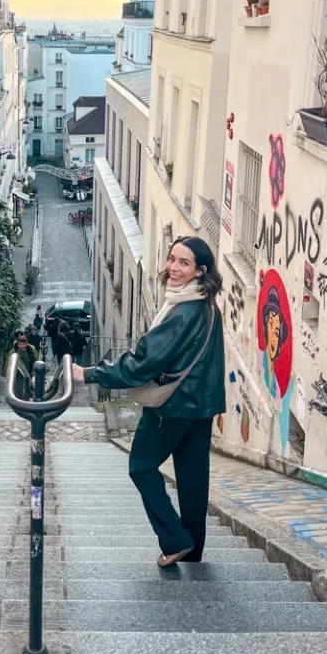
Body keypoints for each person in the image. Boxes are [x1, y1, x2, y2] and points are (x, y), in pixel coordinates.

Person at [73, 236, 225, 567]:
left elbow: (143, 361)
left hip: (171, 407)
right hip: (201, 405)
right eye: (172, 258)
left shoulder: (183, 312)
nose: (173, 267)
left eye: (184, 263)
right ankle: (193, 552)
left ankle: (174, 540)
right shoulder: (206, 304)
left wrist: (90, 374)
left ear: (200, 271)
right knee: (192, 481)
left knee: (141, 467)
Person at [5, 332, 39, 400]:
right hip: (18, 373)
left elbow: (35, 359)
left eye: (24, 344)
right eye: (20, 344)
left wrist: (34, 370)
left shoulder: (31, 350)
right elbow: (8, 362)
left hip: (28, 371)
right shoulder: (13, 352)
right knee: (19, 387)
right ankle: (19, 399)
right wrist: (6, 373)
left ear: (26, 344)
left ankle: (26, 400)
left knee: (28, 386)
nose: (22, 346)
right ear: (17, 344)